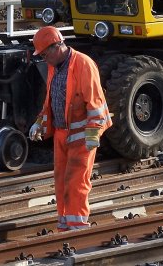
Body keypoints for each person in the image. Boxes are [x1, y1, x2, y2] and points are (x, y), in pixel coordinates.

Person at [28, 26, 112, 231]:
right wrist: (40, 121)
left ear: (57, 47)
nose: (44, 59)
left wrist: (93, 133)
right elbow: (52, 99)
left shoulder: (83, 64)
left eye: (45, 54)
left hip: (82, 135)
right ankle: (65, 224)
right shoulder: (53, 66)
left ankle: (78, 226)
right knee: (61, 182)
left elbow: (96, 105)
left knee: (77, 182)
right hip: (61, 134)